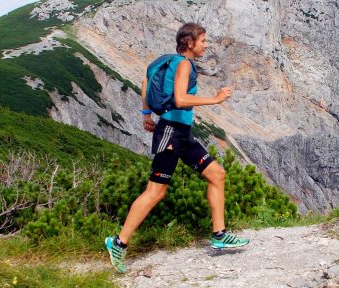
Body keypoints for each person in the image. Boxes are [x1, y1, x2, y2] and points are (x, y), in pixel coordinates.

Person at [105, 22, 249, 273]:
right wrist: (215, 99)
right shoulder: (183, 64)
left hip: (181, 134)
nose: (206, 45)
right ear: (190, 43)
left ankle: (219, 234)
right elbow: (181, 99)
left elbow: (146, 78)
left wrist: (146, 114)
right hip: (171, 132)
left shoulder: (169, 61)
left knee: (217, 175)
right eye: (203, 41)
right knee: (155, 192)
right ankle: (118, 243)